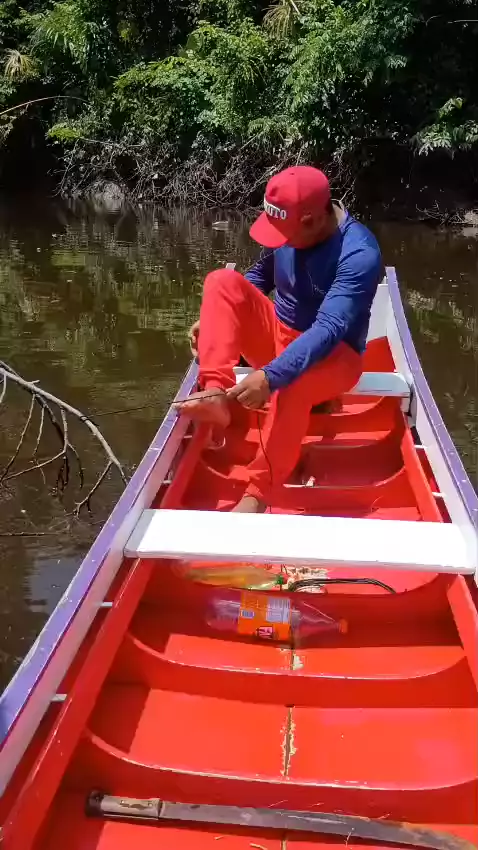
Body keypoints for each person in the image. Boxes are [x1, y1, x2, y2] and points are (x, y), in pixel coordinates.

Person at [173, 165, 382, 513]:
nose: (278, 239)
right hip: (278, 336)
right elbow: (259, 276)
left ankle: (258, 493)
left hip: (334, 355)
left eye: (283, 232)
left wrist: (271, 376)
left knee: (293, 385)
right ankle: (214, 391)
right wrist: (220, 319)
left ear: (311, 220)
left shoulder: (359, 254)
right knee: (221, 282)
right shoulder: (292, 227)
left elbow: (328, 329)